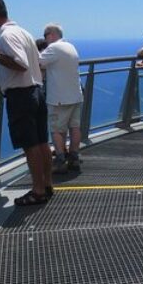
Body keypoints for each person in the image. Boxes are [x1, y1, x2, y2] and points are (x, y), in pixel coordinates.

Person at [0, 0, 52, 206]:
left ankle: (37, 191)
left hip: (21, 94)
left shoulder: (6, 35)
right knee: (41, 141)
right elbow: (38, 64)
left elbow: (20, 64)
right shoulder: (24, 32)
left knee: (31, 145)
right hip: (36, 90)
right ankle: (46, 185)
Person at [39, 23, 83, 174]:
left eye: (45, 36)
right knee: (74, 127)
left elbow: (38, 62)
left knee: (57, 129)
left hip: (59, 97)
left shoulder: (53, 48)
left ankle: (60, 159)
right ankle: (74, 157)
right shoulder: (70, 46)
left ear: (51, 34)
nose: (45, 40)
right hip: (76, 95)